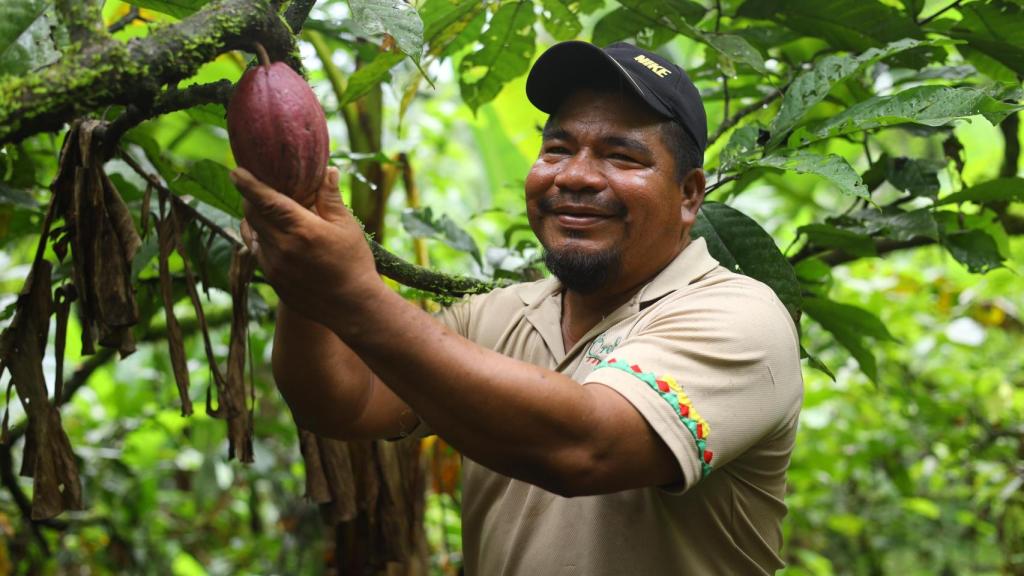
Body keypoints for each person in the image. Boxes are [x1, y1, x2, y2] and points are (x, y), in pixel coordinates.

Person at [234, 40, 803, 575]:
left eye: (621, 156)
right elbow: (343, 403)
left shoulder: (741, 316)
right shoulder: (495, 316)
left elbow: (584, 449)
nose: (575, 176)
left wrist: (353, 296)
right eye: (557, 148)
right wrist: (300, 265)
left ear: (689, 195)